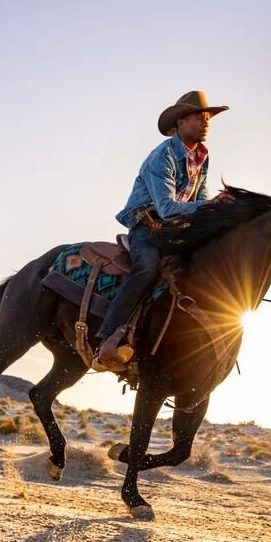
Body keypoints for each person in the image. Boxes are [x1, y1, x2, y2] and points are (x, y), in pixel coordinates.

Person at [93, 90, 227, 371]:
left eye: (208, 118)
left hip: (176, 229)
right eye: (199, 117)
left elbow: (200, 197)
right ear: (180, 122)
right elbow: (166, 207)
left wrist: (216, 211)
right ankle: (106, 338)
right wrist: (211, 205)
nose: (206, 122)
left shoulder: (202, 157)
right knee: (146, 267)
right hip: (147, 224)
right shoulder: (163, 156)